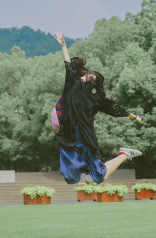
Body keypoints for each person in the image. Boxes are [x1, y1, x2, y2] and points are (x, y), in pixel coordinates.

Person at [53, 32, 143, 184]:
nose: (85, 77)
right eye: (86, 75)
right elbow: (68, 65)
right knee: (71, 178)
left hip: (85, 137)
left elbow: (114, 108)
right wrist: (63, 46)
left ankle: (125, 154)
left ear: (93, 85)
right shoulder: (72, 83)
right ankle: (85, 176)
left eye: (89, 78)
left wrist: (132, 116)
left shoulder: (96, 99)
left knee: (99, 177)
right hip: (68, 135)